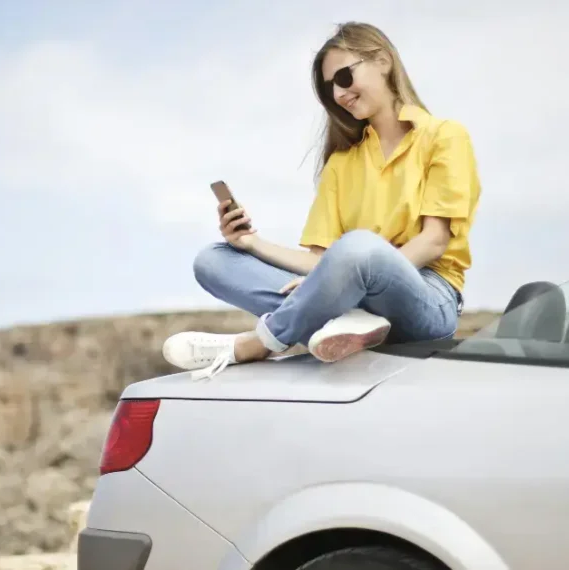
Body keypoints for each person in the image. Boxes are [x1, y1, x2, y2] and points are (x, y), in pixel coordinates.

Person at [163, 21, 482, 380]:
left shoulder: (444, 136)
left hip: (426, 295)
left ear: (382, 61)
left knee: (360, 248)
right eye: (330, 89)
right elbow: (319, 261)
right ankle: (343, 319)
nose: (340, 93)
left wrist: (341, 279)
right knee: (212, 260)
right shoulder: (342, 164)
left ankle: (260, 341)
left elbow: (434, 240)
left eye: (344, 77)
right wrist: (251, 243)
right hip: (350, 292)